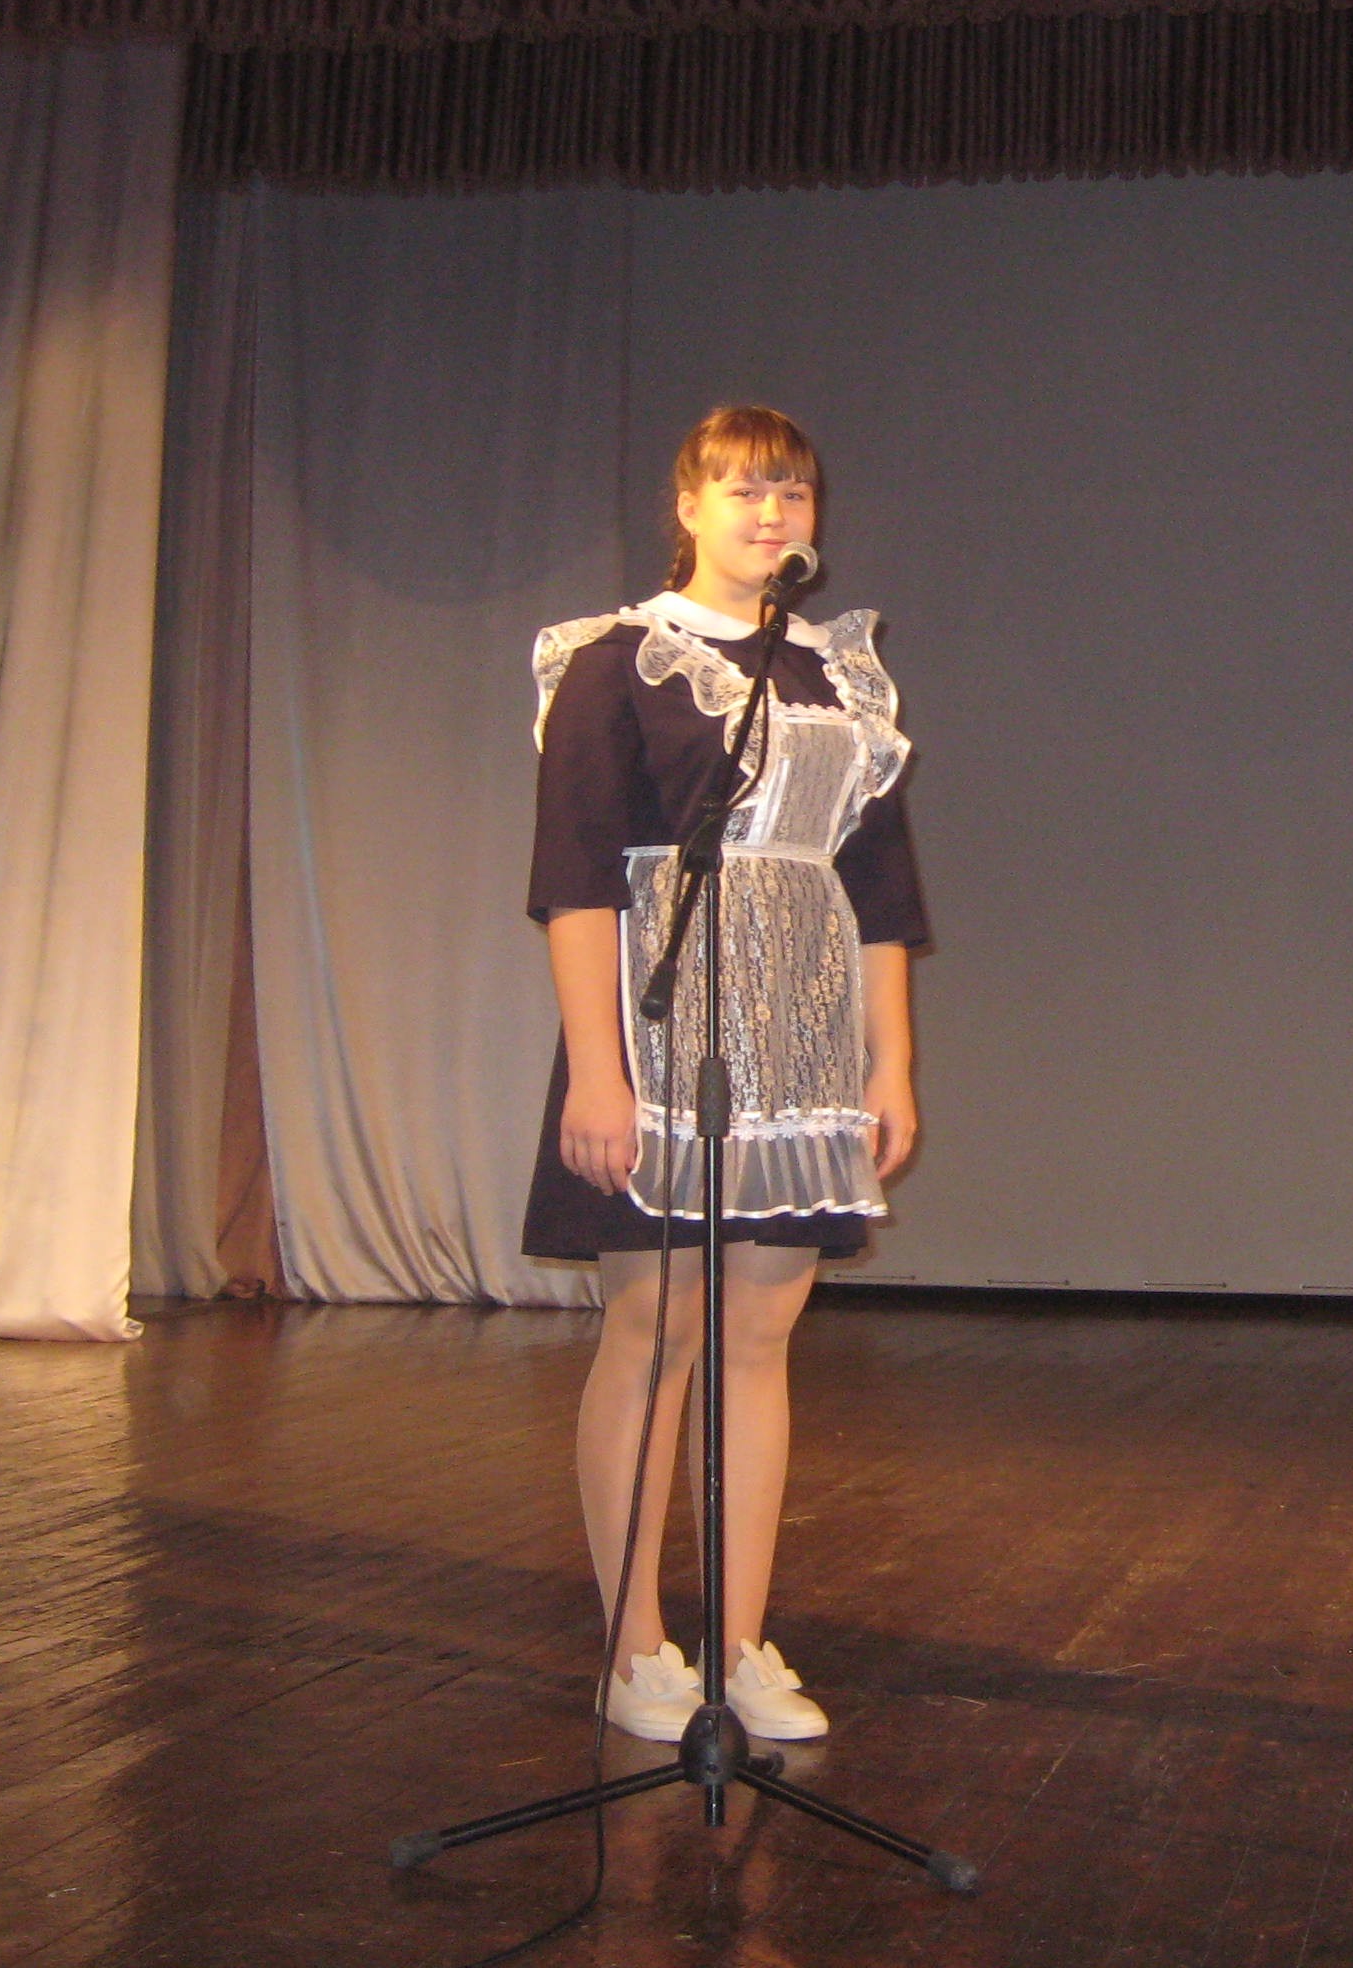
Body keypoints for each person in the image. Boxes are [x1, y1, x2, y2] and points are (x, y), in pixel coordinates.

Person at [522, 404, 926, 1744]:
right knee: (656, 1330)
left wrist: (891, 1063)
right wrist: (598, 1072)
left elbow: (881, 889)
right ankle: (636, 1644)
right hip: (662, 1027)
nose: (771, 513)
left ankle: (741, 1641)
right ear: (686, 506)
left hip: (803, 1033)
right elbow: (576, 880)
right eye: (744, 490)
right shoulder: (618, 661)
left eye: (792, 492)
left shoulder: (842, 675)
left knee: (759, 1336)